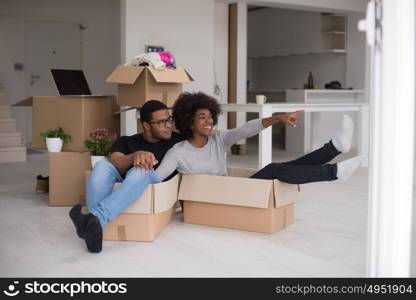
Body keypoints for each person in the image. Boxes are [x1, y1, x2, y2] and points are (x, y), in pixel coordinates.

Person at [72, 92, 363, 253]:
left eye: (211, 116)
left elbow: (247, 128)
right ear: (189, 122)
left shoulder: (218, 139)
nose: (209, 121)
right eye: (202, 117)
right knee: (276, 170)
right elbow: (158, 178)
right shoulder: (177, 151)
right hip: (218, 199)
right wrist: (141, 169)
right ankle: (333, 168)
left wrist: (278, 118)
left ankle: (333, 149)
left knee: (277, 170)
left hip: (231, 191)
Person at [69, 100, 184, 253]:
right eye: (162, 122)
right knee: (102, 165)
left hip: (154, 181)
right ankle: (94, 231)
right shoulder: (127, 141)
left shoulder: (177, 141)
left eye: (169, 119)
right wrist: (134, 156)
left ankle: (95, 218)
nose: (169, 125)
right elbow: (115, 162)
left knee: (141, 170)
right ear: (146, 125)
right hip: (126, 182)